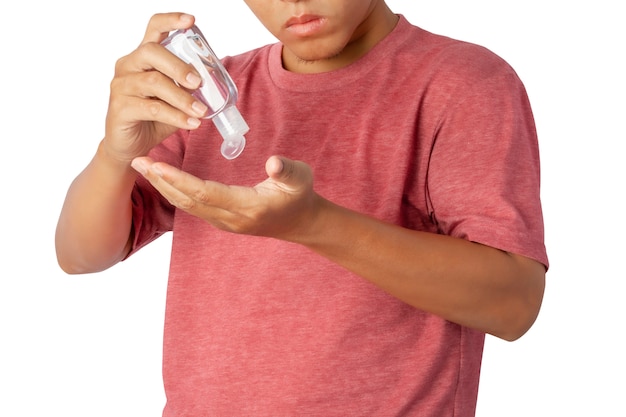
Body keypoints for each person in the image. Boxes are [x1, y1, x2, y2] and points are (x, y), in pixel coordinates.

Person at [55, 1, 548, 416]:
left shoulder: (462, 84)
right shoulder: (210, 97)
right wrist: (114, 155)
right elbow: (80, 255)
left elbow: (513, 304)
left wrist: (314, 225)